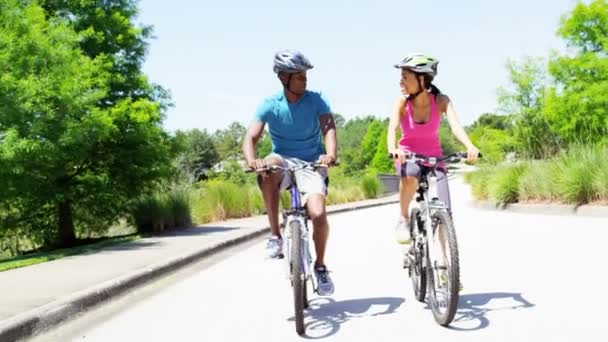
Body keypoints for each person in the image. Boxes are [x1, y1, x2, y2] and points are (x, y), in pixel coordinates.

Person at [242, 50, 337, 296]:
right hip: (282, 160)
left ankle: (320, 266)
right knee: (268, 168)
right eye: (299, 77)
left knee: (318, 214)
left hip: (311, 162)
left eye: (305, 76)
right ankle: (275, 236)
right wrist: (253, 160)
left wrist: (330, 155)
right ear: (283, 77)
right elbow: (251, 137)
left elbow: (329, 129)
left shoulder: (317, 100)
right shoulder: (270, 104)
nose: (305, 81)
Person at [387, 53, 480, 244]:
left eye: (405, 77)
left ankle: (445, 262)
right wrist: (394, 148)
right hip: (408, 156)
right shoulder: (402, 103)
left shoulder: (441, 101)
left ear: (422, 79)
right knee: (410, 176)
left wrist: (470, 146)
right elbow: (393, 128)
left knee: (445, 210)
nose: (400, 82)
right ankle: (403, 218)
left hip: (435, 159)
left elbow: (456, 126)